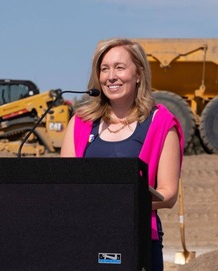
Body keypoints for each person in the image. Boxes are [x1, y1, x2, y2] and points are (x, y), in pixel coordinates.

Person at [60, 38, 184, 271]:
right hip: (84, 239)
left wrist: (120, 203)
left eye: (119, 67)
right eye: (104, 69)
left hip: (138, 241)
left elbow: (168, 195)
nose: (111, 76)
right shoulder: (80, 122)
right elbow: (65, 185)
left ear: (139, 74)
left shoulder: (161, 123)